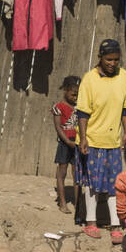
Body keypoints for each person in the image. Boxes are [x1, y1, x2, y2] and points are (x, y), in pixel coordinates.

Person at [75, 39, 126, 240]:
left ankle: (115, 224)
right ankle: (91, 222)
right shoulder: (89, 79)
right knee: (92, 182)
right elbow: (82, 112)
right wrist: (83, 138)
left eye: (116, 60)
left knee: (113, 183)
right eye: (108, 59)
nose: (112, 63)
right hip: (92, 138)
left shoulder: (124, 77)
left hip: (113, 140)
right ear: (100, 57)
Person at [52, 76, 81, 212]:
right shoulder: (59, 107)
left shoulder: (80, 108)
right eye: (73, 94)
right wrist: (68, 141)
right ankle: (62, 202)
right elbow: (58, 127)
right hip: (65, 144)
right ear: (65, 91)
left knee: (77, 174)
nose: (76, 97)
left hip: (77, 144)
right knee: (62, 172)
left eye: (78, 94)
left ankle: (78, 203)